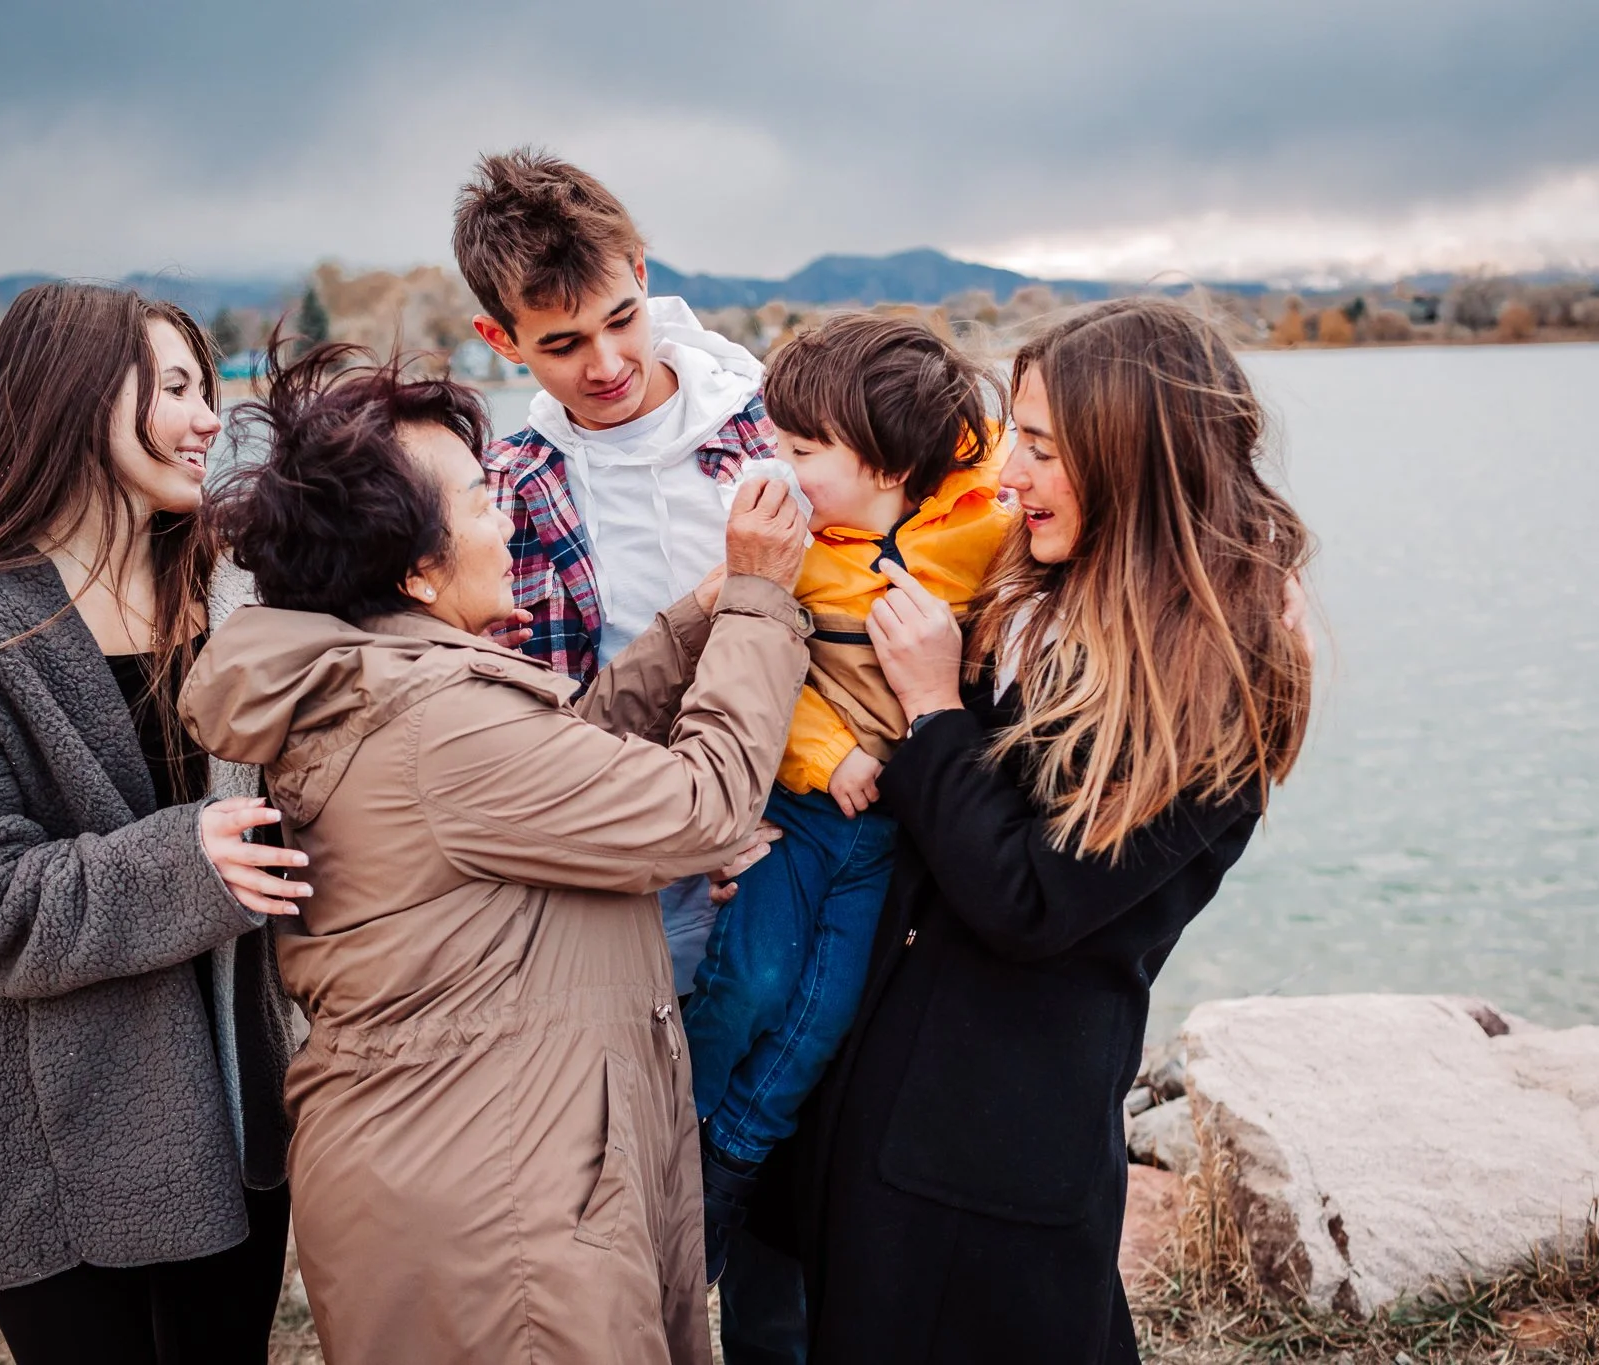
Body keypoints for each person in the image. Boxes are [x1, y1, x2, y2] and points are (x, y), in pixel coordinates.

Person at [177, 340, 812, 1365]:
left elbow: (568, 769)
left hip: (488, 1167)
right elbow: (698, 809)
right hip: (497, 1215)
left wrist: (696, 615)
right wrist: (758, 601)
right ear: (418, 570)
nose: (505, 515)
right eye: (479, 502)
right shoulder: (433, 727)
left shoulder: (385, 678)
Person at [796, 297, 1315, 1362]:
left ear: (1132, 458)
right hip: (892, 1107)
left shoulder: (1215, 684)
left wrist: (933, 707)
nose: (1006, 475)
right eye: (1012, 440)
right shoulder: (1037, 599)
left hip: (996, 1147)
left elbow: (1030, 900)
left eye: (1038, 447)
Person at [0, 282, 304, 1364]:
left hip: (234, 1109)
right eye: (176, 386)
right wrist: (185, 865)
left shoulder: (225, 594)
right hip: (63, 1145)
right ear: (77, 399)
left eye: (205, 387)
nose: (209, 418)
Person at [682, 314, 1010, 1284]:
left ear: (884, 461)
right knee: (749, 981)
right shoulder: (793, 545)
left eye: (799, 449)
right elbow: (759, 671)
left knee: (822, 1011)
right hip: (809, 811)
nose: (775, 466)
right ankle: (671, 1140)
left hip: (900, 832)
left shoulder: (989, 528)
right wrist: (827, 759)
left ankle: (727, 1171)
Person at [453, 147, 780, 989]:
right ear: (501, 339)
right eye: (562, 344)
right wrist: (689, 831)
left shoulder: (779, 425)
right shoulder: (503, 491)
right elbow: (530, 730)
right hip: (625, 899)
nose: (605, 364)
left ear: (641, 273)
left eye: (622, 319)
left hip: (805, 845)